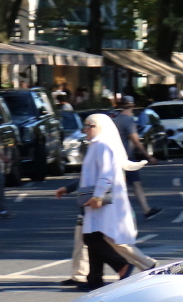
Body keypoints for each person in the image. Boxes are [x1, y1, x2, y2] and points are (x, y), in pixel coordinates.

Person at [55, 113, 147, 291]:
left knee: (93, 237)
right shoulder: (96, 145)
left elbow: (106, 174)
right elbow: (88, 176)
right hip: (94, 199)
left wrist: (98, 196)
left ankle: (122, 266)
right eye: (86, 126)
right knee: (93, 237)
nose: (86, 130)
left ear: (100, 127)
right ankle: (95, 280)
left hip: (102, 201)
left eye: (90, 126)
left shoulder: (103, 145)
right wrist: (69, 189)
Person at [112, 97, 161, 219]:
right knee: (134, 184)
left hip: (116, 157)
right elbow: (136, 141)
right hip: (127, 158)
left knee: (126, 185)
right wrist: (149, 157)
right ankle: (143, 210)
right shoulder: (128, 121)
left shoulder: (115, 120)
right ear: (132, 105)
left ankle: (143, 210)